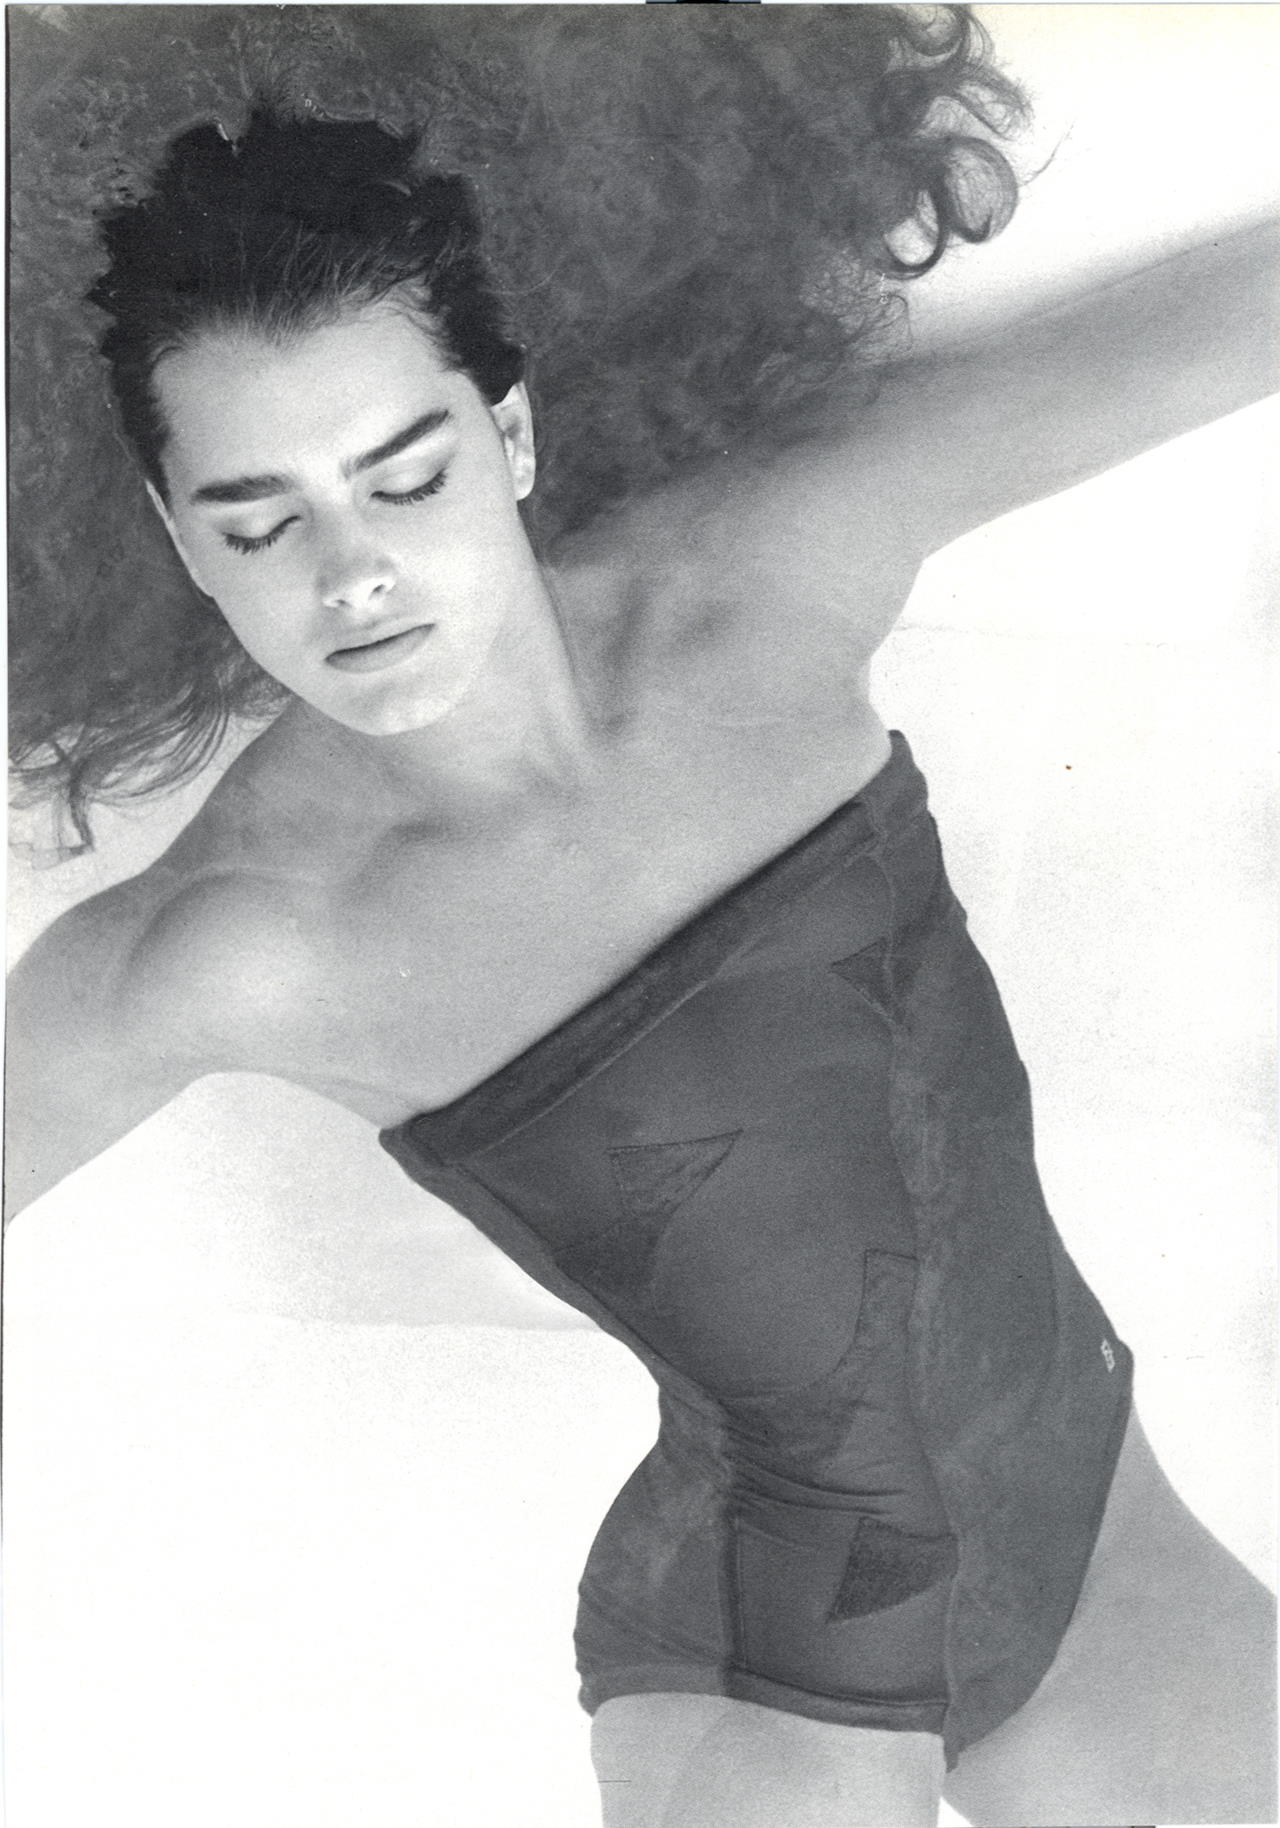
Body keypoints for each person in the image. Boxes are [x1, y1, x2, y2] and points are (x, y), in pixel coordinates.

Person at [5, 8, 1275, 1825]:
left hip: (1096, 1551)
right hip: (771, 1661)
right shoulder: (234, 946)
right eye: (259, 521)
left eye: (406, 474)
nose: (356, 573)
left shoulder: (759, 588)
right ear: (177, 534)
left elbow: (1233, 319)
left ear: (508, 431)